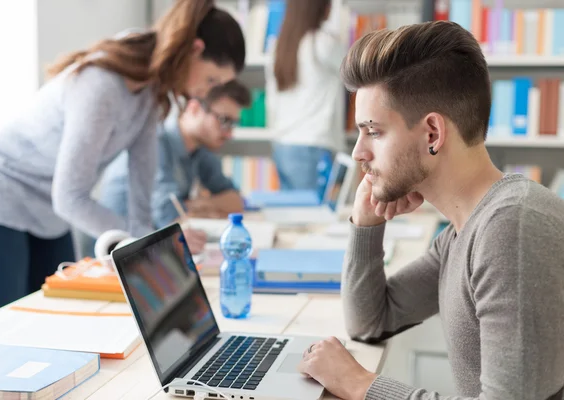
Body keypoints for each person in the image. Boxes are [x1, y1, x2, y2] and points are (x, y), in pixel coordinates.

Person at [298, 21, 564, 400]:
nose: (358, 152)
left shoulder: (512, 228)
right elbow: (371, 322)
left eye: (373, 131)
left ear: (432, 135)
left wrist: (362, 385)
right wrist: (366, 224)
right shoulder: (464, 231)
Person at [0, 0, 245, 318]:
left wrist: (152, 244)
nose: (201, 93)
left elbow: (142, 196)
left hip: (51, 208)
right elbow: (70, 197)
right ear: (195, 49)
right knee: (2, 328)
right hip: (1, 191)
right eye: (210, 80)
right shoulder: (101, 85)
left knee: (53, 322)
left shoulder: (150, 93)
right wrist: (142, 244)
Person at [88, 80, 251, 253]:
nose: (229, 132)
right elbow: (171, 220)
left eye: (233, 123)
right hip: (117, 251)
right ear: (194, 108)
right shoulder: (156, 142)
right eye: (224, 120)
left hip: (152, 248)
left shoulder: (200, 150)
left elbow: (235, 202)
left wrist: (199, 204)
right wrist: (204, 207)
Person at [265, 0, 347, 191]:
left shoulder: (279, 46)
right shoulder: (324, 42)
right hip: (313, 144)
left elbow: (272, 102)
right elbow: (358, 73)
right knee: (315, 217)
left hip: (282, 144)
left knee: (294, 215)